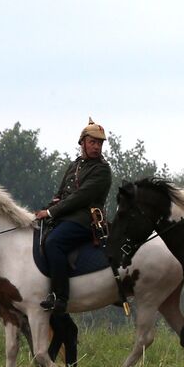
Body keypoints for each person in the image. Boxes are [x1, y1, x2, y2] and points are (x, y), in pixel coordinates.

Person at [34, 119, 113, 313]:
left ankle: (60, 297)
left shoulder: (102, 170)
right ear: (83, 143)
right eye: (93, 142)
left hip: (85, 220)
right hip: (64, 216)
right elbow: (61, 195)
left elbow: (80, 198)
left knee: (54, 242)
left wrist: (51, 212)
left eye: (100, 143)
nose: (97, 147)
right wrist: (44, 210)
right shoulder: (75, 165)